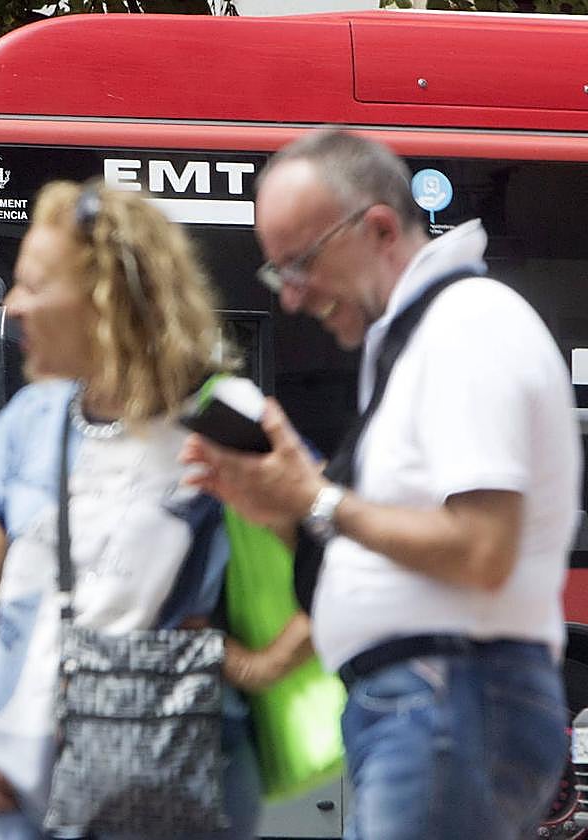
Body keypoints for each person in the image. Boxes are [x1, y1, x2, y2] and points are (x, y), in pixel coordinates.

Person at [182, 129, 581, 839]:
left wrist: (316, 498)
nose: (294, 300)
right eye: (280, 276)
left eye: (298, 265)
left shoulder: (466, 327)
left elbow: (483, 549)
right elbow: (397, 536)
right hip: (429, 703)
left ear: (378, 228)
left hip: (444, 699)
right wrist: (281, 507)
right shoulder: (419, 340)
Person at [0, 180, 307, 840]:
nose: (14, 308)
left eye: (32, 285)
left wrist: (262, 664)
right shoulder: (28, 422)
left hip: (162, 788)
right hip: (13, 798)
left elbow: (331, 554)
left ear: (103, 299)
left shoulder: (225, 421)